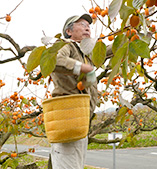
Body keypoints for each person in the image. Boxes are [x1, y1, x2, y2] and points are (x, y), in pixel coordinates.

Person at [48, 14, 98, 169]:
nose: (87, 27)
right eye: (82, 24)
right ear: (69, 31)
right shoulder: (65, 45)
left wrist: (133, 37)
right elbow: (54, 60)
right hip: (68, 117)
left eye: (88, 25)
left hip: (80, 119)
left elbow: (107, 51)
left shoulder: (85, 54)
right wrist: (79, 67)